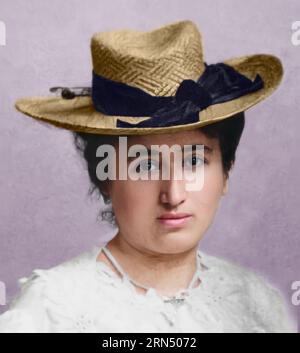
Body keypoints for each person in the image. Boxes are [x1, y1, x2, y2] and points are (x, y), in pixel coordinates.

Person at [0, 20, 296, 333]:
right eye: (145, 166)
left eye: (194, 161)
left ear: (226, 172)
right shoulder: (50, 310)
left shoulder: (258, 303)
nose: (174, 193)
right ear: (105, 178)